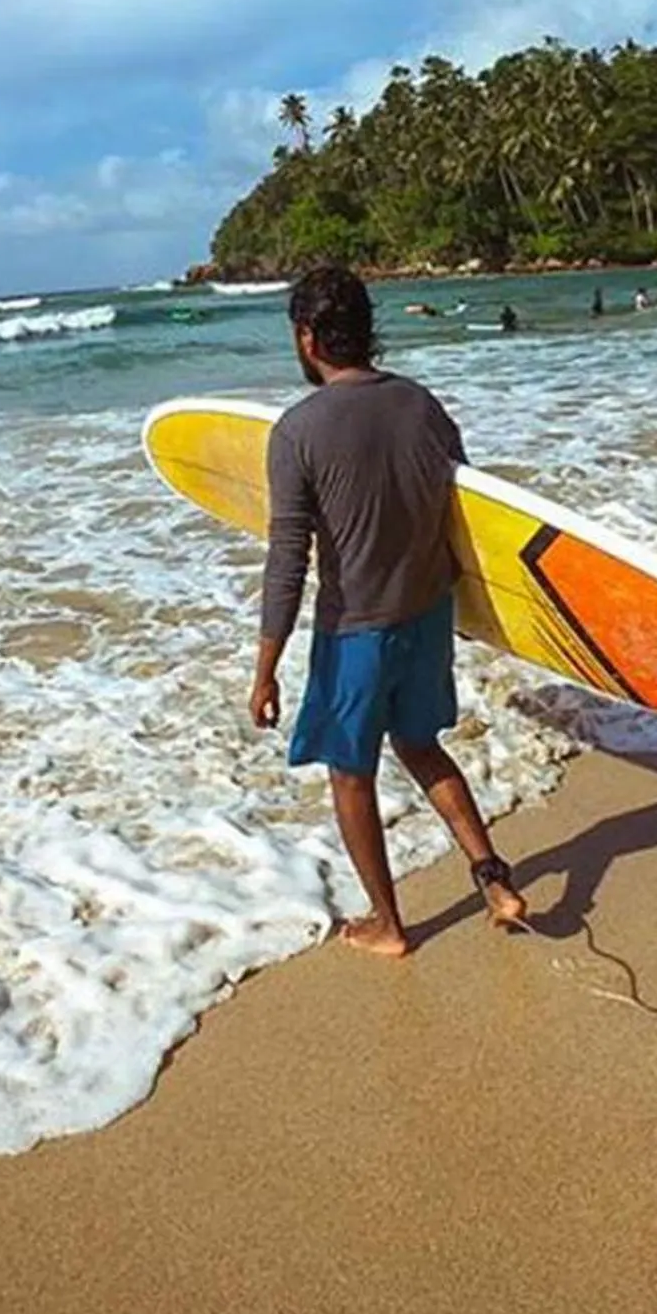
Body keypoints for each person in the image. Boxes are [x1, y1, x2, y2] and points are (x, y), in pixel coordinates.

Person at [252, 266, 525, 957]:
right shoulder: (420, 405)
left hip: (356, 634)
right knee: (419, 744)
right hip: (426, 615)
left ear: (307, 337)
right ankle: (494, 881)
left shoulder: (297, 432)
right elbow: (464, 510)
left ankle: (387, 922)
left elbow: (289, 558)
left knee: (351, 775)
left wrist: (265, 669)